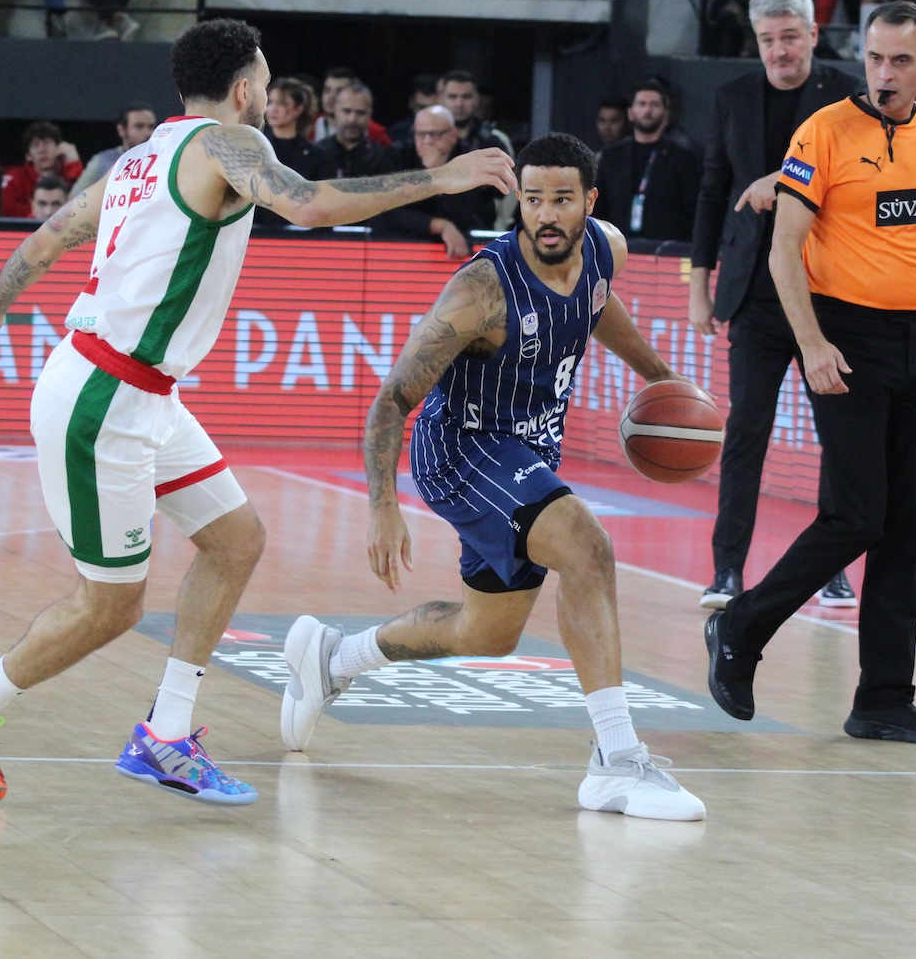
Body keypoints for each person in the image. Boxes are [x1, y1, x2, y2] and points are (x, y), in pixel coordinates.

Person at [0, 17, 514, 807]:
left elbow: (56, 231)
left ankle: (165, 734)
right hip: (104, 398)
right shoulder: (230, 144)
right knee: (111, 605)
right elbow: (308, 204)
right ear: (241, 89)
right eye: (263, 81)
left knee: (235, 540)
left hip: (142, 392)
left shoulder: (143, 156)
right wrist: (442, 178)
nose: (266, 94)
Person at [280, 133, 705, 821]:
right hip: (461, 449)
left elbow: (596, 302)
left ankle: (333, 659)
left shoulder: (605, 250)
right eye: (532, 199)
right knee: (588, 548)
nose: (546, 214)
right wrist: (382, 507)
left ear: (590, 202)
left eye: (561, 199)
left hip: (528, 453)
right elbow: (392, 399)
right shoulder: (481, 289)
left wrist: (659, 377)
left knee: (487, 633)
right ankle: (617, 761)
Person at [704, 2, 916, 745]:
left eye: (900, 61)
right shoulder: (824, 131)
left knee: (904, 525)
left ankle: (884, 699)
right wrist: (812, 343)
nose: (884, 74)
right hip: (845, 337)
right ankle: (741, 625)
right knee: (858, 515)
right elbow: (783, 249)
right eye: (874, 59)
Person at [688, 0, 861, 610]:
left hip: (826, 292)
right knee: (745, 434)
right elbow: (713, 191)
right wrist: (699, 284)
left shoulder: (848, 94)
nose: (780, 50)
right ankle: (727, 570)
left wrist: (779, 177)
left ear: (813, 34)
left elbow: (853, 179)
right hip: (754, 295)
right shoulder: (733, 96)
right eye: (768, 40)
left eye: (790, 36)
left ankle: (831, 568)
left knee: (839, 436)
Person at [377, 105, 498, 258]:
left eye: (435, 135)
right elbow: (387, 212)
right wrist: (439, 225)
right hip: (405, 248)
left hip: (461, 252)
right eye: (421, 134)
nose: (427, 141)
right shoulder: (398, 155)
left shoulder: (470, 160)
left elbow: (474, 217)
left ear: (453, 135)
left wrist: (439, 172)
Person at [592, 78, 701, 242]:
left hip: (665, 247)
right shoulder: (611, 157)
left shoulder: (683, 158)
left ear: (665, 113)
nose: (647, 110)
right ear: (630, 113)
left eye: (654, 105)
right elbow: (597, 206)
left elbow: (693, 211)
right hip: (616, 244)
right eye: (642, 104)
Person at [255, 76, 316, 227]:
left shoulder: (316, 154)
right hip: (259, 231)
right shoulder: (255, 148)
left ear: (298, 108)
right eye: (270, 102)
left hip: (301, 231)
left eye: (281, 104)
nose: (273, 109)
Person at [305, 81, 391, 181]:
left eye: (360, 113)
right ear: (335, 110)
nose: (352, 119)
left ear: (370, 114)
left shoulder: (382, 158)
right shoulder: (315, 154)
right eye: (347, 111)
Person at [1, 120, 83, 217]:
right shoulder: (15, 178)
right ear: (28, 156)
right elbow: (6, 209)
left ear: (59, 148)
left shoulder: (71, 172)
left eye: (47, 143)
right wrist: (42, 212)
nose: (41, 150)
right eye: (35, 145)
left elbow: (86, 204)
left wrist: (74, 164)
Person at [72, 105, 156, 193]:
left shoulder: (162, 159)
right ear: (121, 130)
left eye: (151, 127)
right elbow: (76, 196)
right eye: (139, 127)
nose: (148, 133)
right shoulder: (102, 162)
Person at [439, 70, 514, 157]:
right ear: (441, 99)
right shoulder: (429, 138)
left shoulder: (495, 139)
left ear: (477, 98)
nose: (459, 104)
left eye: (466, 97)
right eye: (452, 97)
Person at [387, 74, 440, 147]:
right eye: (421, 108)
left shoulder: (451, 132)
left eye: (432, 108)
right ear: (411, 102)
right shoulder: (398, 132)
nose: (427, 114)